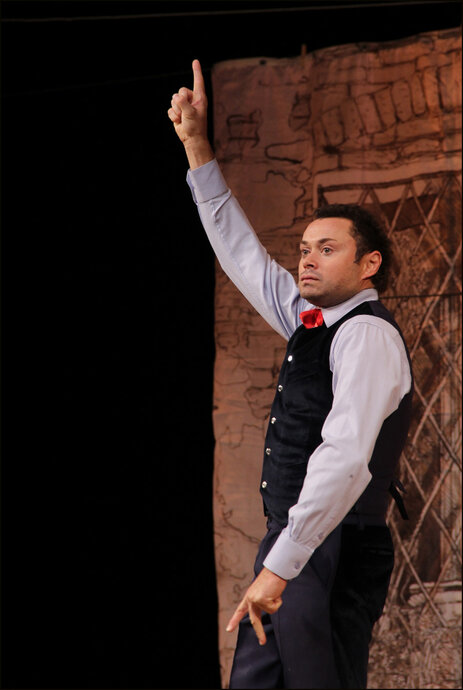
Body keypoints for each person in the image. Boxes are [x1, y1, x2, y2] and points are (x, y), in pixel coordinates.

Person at [167, 60, 413, 689]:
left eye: (326, 250)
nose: (306, 260)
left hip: (330, 547)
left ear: (368, 265)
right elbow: (242, 255)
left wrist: (282, 565)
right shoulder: (312, 320)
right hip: (294, 545)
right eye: (304, 249)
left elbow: (344, 456)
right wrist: (196, 147)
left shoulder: (366, 335)